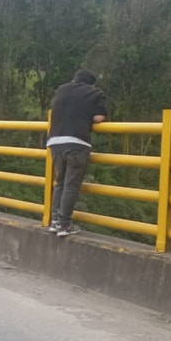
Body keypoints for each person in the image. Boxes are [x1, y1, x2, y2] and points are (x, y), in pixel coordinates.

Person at [47, 69, 107, 237]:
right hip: (77, 142)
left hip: (55, 141)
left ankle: (55, 221)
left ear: (74, 79)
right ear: (92, 83)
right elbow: (99, 118)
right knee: (71, 185)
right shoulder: (95, 92)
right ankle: (65, 224)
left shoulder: (61, 89)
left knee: (60, 182)